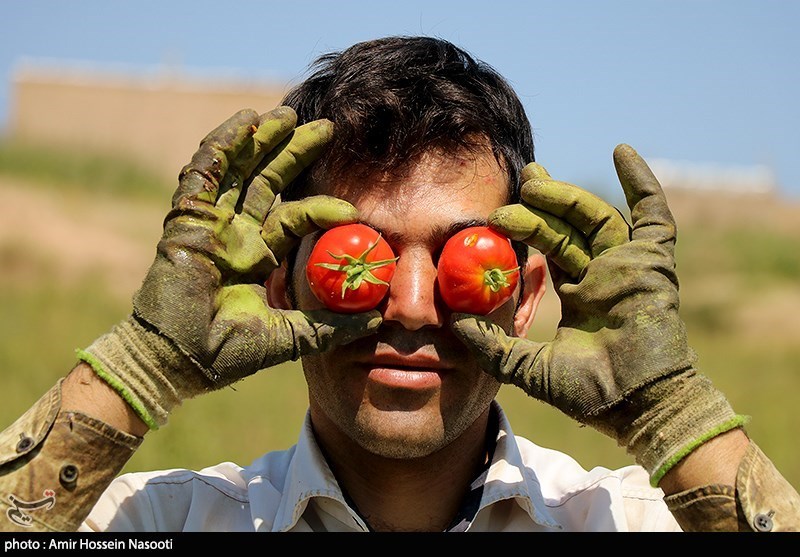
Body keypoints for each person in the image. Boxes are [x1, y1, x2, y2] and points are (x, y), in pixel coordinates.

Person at [1, 36, 798, 533]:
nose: (412, 308)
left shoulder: (630, 522)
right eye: (360, 255)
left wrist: (671, 412)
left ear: (526, 297)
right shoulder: (158, 519)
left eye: (464, 262)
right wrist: (143, 362)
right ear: (281, 284)